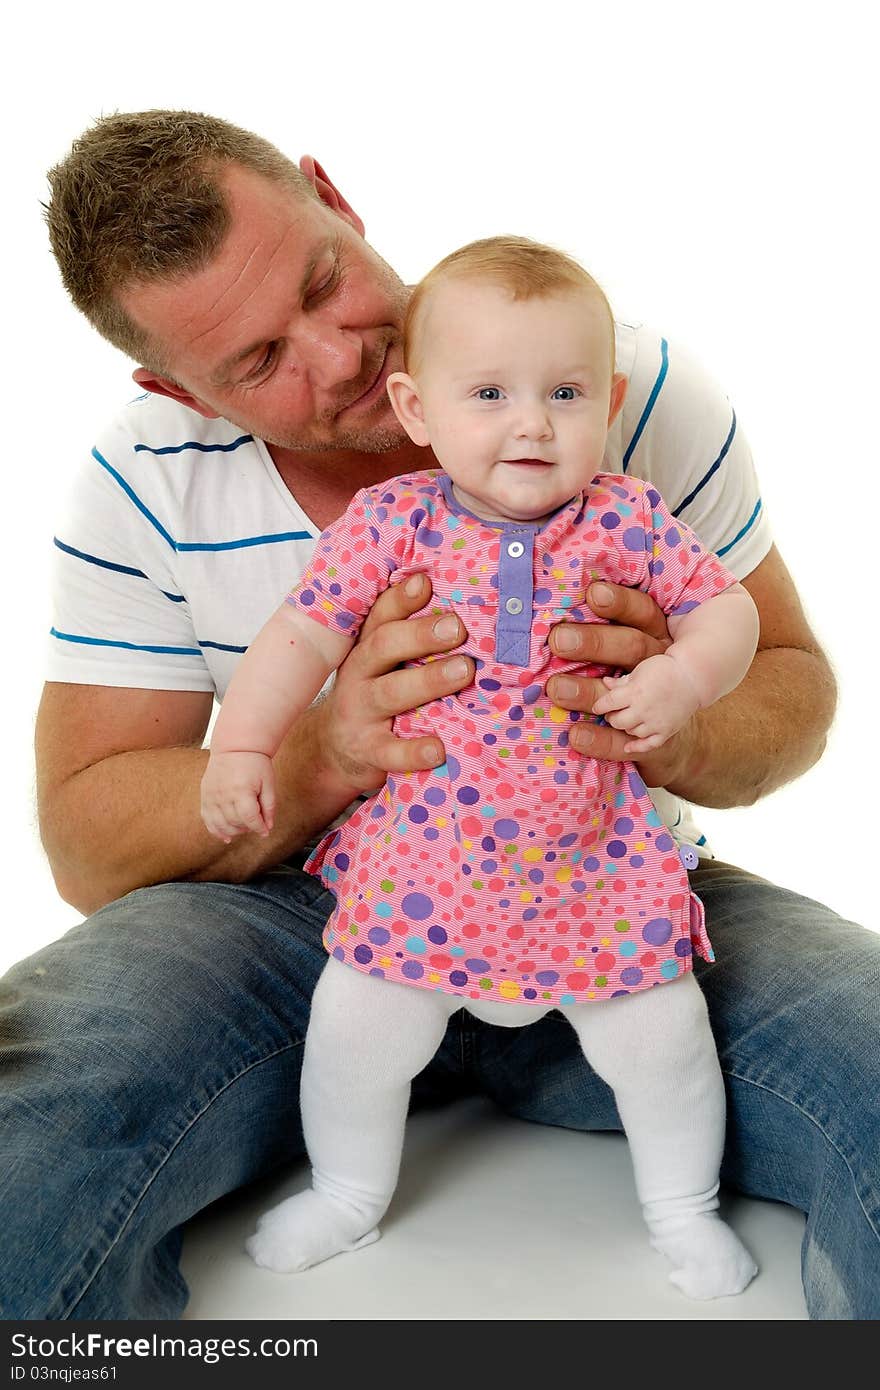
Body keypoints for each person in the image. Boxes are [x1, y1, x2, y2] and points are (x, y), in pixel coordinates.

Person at [0, 109, 871, 1321]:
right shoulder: (140, 482)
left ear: (333, 195)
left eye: (323, 281)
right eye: (259, 363)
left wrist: (677, 718)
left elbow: (789, 674)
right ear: (173, 386)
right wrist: (312, 754)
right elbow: (85, 838)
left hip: (609, 872)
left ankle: (684, 1213)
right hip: (318, 897)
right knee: (22, 1140)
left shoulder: (621, 389)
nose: (337, 353)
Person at [201, 235, 761, 1299]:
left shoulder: (627, 517)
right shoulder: (392, 523)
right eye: (491, 392)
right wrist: (241, 745)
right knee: (356, 1029)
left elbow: (726, 612)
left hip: (592, 861)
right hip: (428, 862)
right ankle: (350, 1193)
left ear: (611, 398)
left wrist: (684, 679)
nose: (531, 423)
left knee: (664, 1039)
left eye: (563, 391)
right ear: (418, 410)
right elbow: (300, 636)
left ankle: (680, 1209)